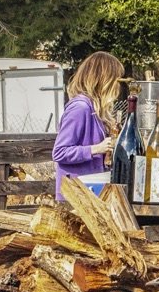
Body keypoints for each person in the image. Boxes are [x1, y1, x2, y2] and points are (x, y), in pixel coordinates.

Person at [52, 51, 123, 197]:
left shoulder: (95, 110)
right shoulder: (80, 108)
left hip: (90, 190)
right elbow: (59, 152)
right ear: (104, 80)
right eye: (116, 80)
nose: (118, 86)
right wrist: (95, 149)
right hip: (75, 194)